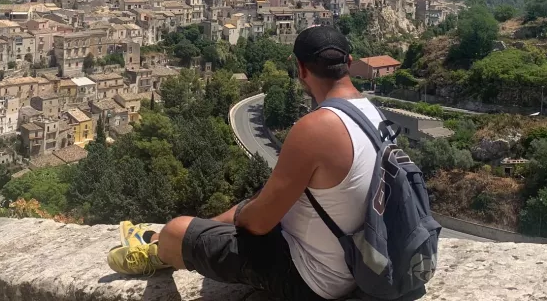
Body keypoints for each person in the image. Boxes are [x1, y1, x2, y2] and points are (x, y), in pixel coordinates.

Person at [107, 25, 387, 301]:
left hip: (315, 281)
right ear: (349, 63)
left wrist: (236, 221)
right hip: (358, 263)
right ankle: (189, 232)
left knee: (178, 229)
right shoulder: (375, 116)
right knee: (248, 204)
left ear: (301, 69)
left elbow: (260, 223)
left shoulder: (316, 127)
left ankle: (158, 250)